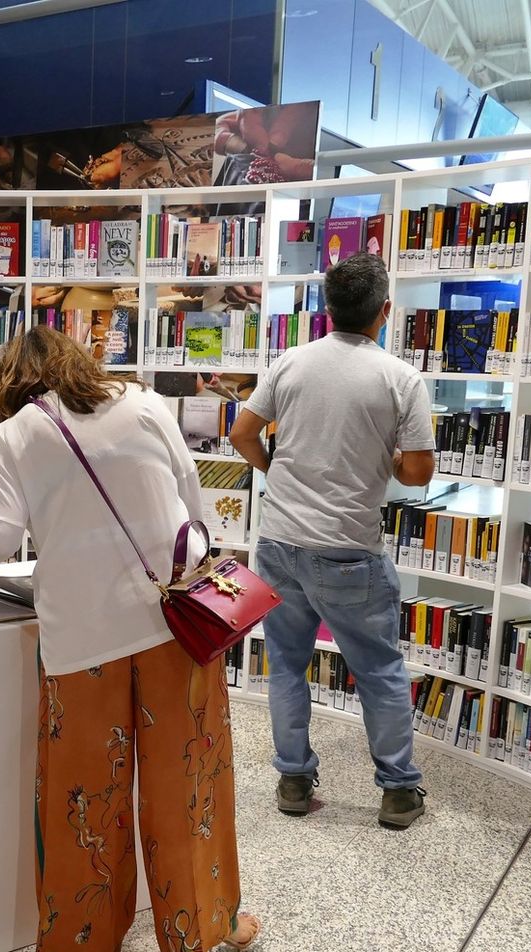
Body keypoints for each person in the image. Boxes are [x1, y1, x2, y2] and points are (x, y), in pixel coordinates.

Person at [0, 326, 259, 952]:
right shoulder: (143, 403)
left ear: (11, 382)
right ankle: (207, 933)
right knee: (185, 788)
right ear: (78, 363)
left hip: (83, 645)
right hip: (175, 629)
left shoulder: (18, 433)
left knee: (84, 805)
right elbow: (193, 505)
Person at [227, 253, 435, 829]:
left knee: (286, 665)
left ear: (327, 310)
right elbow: (417, 473)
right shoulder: (399, 378)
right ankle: (397, 790)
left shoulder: (290, 362)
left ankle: (293, 778)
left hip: (279, 541)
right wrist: (388, 458)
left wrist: (276, 470)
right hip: (348, 550)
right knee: (379, 670)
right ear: (385, 311)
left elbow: (243, 432)